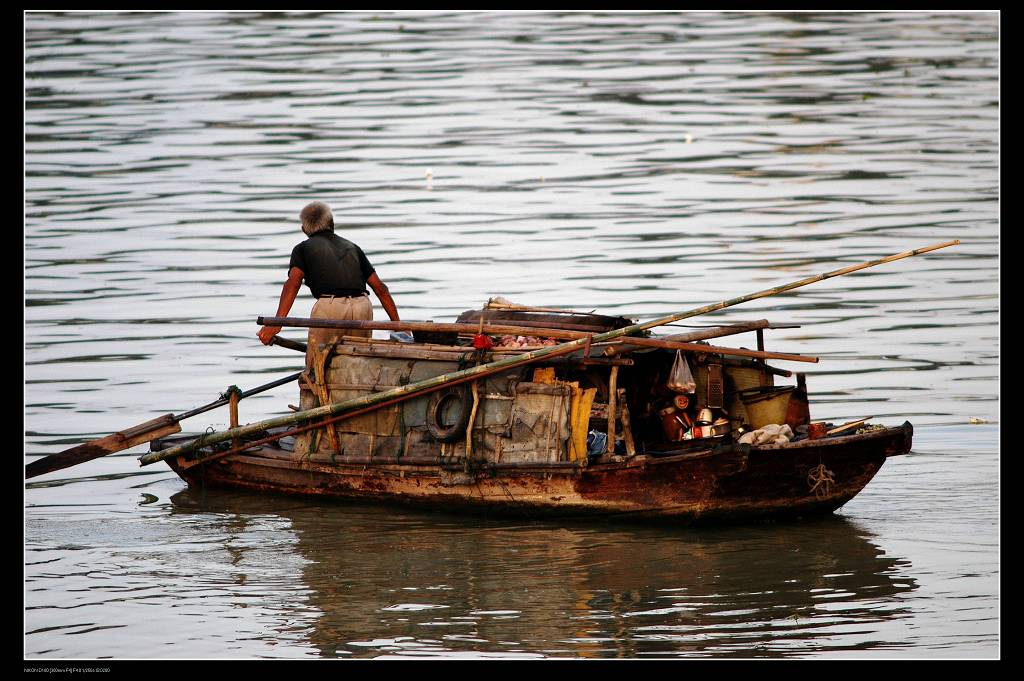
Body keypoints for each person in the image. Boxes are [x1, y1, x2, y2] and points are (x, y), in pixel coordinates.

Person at [257, 201, 400, 364]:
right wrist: (399, 327)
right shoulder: (352, 247)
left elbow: (293, 283)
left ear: (304, 229)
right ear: (332, 224)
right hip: (362, 307)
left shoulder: (302, 248)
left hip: (330, 309)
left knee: (317, 369)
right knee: (359, 363)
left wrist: (276, 324)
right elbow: (380, 288)